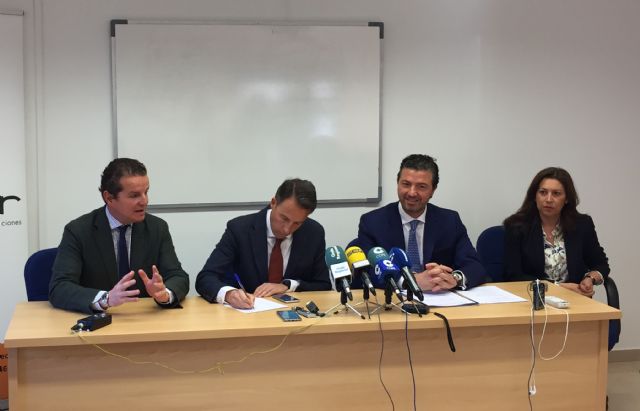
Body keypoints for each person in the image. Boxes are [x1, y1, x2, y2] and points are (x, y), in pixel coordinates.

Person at [49, 158, 189, 313]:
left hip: (143, 318)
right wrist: (106, 299)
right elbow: (60, 287)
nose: (144, 201)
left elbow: (178, 276)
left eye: (146, 192)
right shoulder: (78, 231)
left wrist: (164, 294)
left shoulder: (157, 228)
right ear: (109, 198)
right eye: (134, 195)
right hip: (100, 320)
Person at [350, 154, 486, 291]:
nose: (412, 193)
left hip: (440, 296)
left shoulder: (449, 220)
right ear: (398, 184)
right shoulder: (373, 222)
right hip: (395, 299)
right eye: (406, 184)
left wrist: (455, 278)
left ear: (433, 190)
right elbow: (367, 272)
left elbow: (474, 265)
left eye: (421, 186)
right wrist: (410, 281)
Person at [196, 178, 331, 309]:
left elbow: (323, 285)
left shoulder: (313, 233)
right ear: (273, 202)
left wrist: (288, 286)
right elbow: (206, 277)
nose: (287, 229)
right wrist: (229, 294)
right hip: (247, 316)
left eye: (297, 223)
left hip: (295, 315)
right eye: (284, 218)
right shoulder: (240, 229)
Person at [503, 167, 609, 297]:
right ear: (535, 196)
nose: (548, 199)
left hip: (576, 299)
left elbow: (600, 264)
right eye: (543, 192)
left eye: (556, 193)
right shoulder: (516, 226)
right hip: (534, 300)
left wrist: (590, 279)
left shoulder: (582, 225)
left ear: (567, 199)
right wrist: (558, 287)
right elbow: (513, 275)